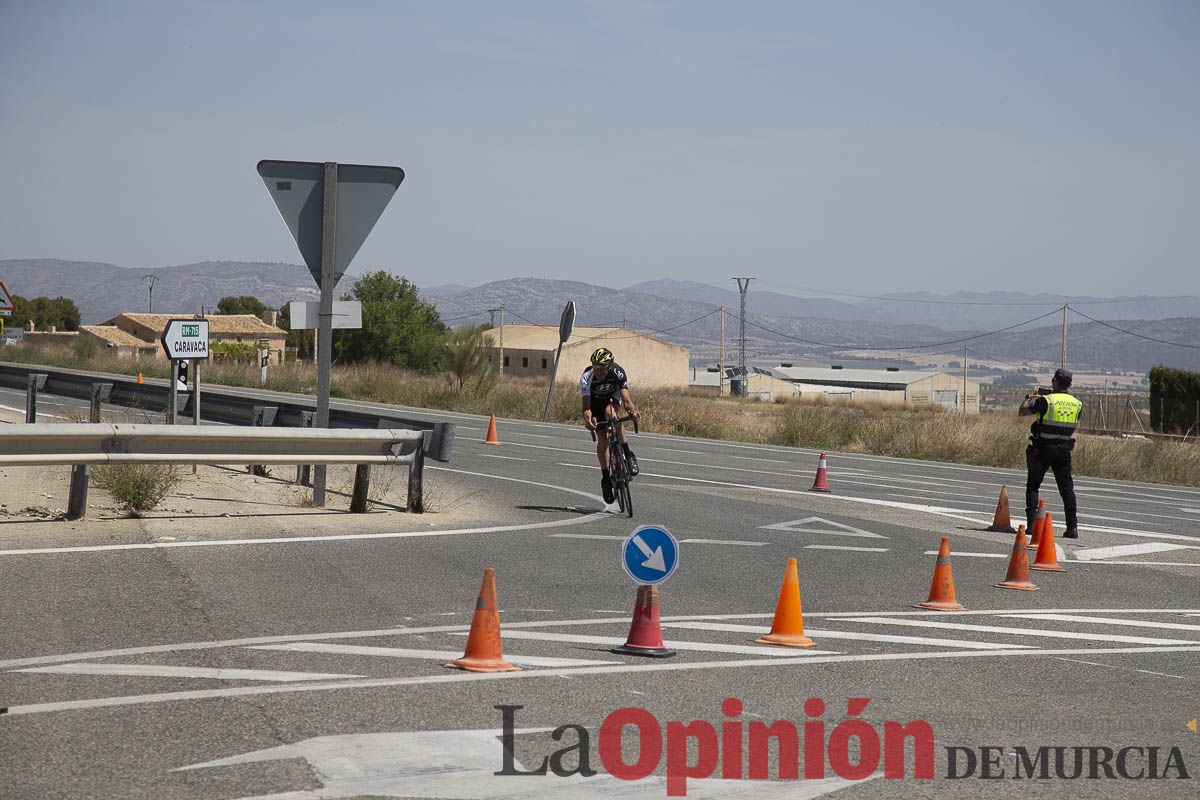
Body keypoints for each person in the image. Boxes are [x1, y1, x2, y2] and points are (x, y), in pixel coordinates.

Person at [1019, 367, 1083, 539]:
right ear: (1069, 384)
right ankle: (1072, 527)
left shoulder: (1047, 400)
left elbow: (1023, 411)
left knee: (1033, 485)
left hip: (1043, 447)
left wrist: (1030, 397)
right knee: (1067, 489)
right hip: (1064, 449)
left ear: (1055, 381)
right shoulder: (1077, 403)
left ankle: (1032, 525)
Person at [580, 347, 639, 504]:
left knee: (612, 415)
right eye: (595, 367)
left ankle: (628, 453)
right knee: (603, 438)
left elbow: (626, 399)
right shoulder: (587, 376)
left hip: (611, 399)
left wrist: (632, 411)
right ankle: (606, 478)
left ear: (610, 366)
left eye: (601, 367)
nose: (597, 371)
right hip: (595, 404)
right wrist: (588, 420)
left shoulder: (618, 372)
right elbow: (586, 406)